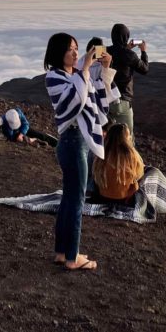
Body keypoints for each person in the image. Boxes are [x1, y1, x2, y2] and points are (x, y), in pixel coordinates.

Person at [43, 32, 115, 271]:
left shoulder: (74, 75)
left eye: (76, 48)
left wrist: (103, 70)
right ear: (58, 52)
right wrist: (85, 69)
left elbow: (98, 99)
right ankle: (73, 258)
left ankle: (63, 253)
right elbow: (75, 102)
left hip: (77, 143)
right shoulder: (54, 77)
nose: (75, 53)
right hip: (72, 142)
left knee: (69, 198)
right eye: (69, 49)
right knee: (76, 201)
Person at [93, 123, 166, 214]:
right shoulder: (130, 155)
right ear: (125, 138)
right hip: (125, 199)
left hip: (104, 197)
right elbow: (139, 175)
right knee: (154, 173)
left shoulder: (100, 154)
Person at [107, 24, 149, 131]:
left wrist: (126, 49)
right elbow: (145, 69)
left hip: (104, 101)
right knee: (127, 137)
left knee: (107, 137)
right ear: (126, 36)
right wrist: (143, 51)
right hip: (122, 101)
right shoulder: (129, 55)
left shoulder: (103, 51)